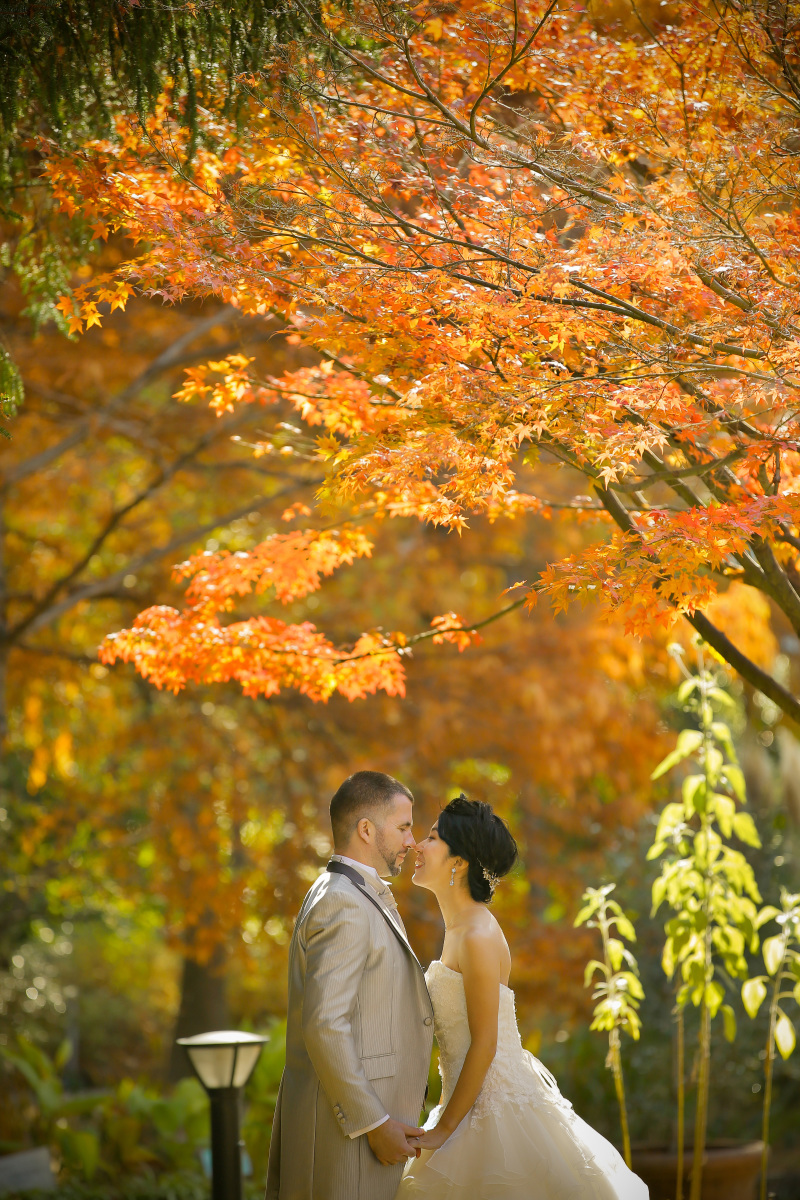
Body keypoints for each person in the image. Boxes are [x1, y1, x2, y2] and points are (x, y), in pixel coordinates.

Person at [397, 794, 649, 1200]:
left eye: (431, 837)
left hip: (495, 1117)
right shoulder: (460, 929)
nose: (417, 846)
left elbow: (485, 1043)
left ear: (458, 861)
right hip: (465, 1106)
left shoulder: (477, 935)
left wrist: (443, 1130)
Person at [265, 770, 433, 1200]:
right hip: (349, 1138)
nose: (411, 841)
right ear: (366, 830)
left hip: (355, 1128)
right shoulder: (343, 901)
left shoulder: (340, 892)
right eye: (403, 827)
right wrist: (375, 1124)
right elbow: (324, 1023)